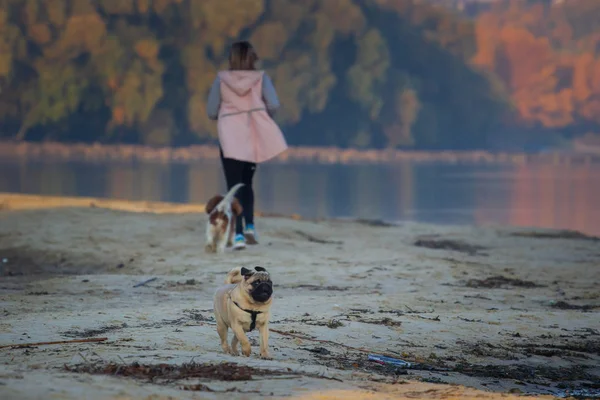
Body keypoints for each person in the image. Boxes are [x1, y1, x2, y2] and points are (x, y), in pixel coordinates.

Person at [206, 41, 287, 250]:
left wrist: (226, 113)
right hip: (251, 133)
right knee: (247, 183)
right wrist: (261, 112)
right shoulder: (261, 78)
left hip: (229, 135)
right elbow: (274, 104)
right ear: (253, 58)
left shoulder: (221, 80)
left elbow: (211, 110)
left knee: (233, 186)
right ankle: (250, 225)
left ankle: (239, 234)